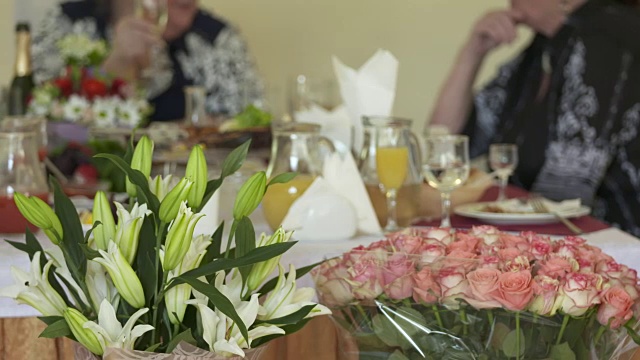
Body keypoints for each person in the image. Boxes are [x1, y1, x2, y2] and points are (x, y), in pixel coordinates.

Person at [428, 0, 640, 235]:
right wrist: (472, 52)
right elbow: (444, 146)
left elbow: (568, 187)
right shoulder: (541, 51)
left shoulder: (608, 37)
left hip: (616, 243)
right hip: (540, 233)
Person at [32, 0, 263, 121]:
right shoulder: (67, 24)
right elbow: (36, 118)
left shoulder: (217, 38)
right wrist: (113, 68)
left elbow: (252, 124)